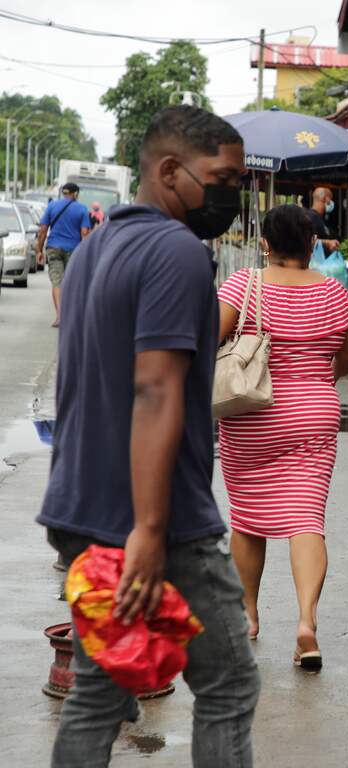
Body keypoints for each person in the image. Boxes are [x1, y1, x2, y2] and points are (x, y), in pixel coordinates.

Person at [36, 105, 260, 767]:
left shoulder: (95, 248)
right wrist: (152, 530)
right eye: (222, 177)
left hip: (80, 507)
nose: (232, 193)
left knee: (100, 692)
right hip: (153, 520)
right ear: (169, 170)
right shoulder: (175, 251)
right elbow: (155, 389)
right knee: (228, 683)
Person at [218, 204, 348, 669]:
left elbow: (208, 340)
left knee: (248, 517)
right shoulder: (335, 294)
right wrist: (316, 381)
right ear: (312, 244)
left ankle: (247, 615)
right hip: (314, 414)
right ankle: (306, 621)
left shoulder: (244, 285)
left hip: (250, 414)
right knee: (306, 519)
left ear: (264, 244)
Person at [34, 182, 92, 327]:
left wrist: (39, 250)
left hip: (53, 248)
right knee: (71, 283)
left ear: (63, 193)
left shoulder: (52, 206)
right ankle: (70, 316)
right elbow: (85, 233)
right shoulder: (82, 209)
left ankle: (60, 316)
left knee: (57, 282)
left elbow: (42, 230)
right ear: (76, 194)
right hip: (74, 250)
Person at [307, 186, 340, 256]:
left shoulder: (320, 218)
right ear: (325, 199)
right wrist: (328, 243)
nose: (332, 203)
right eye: (331, 200)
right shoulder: (311, 218)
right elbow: (307, 240)